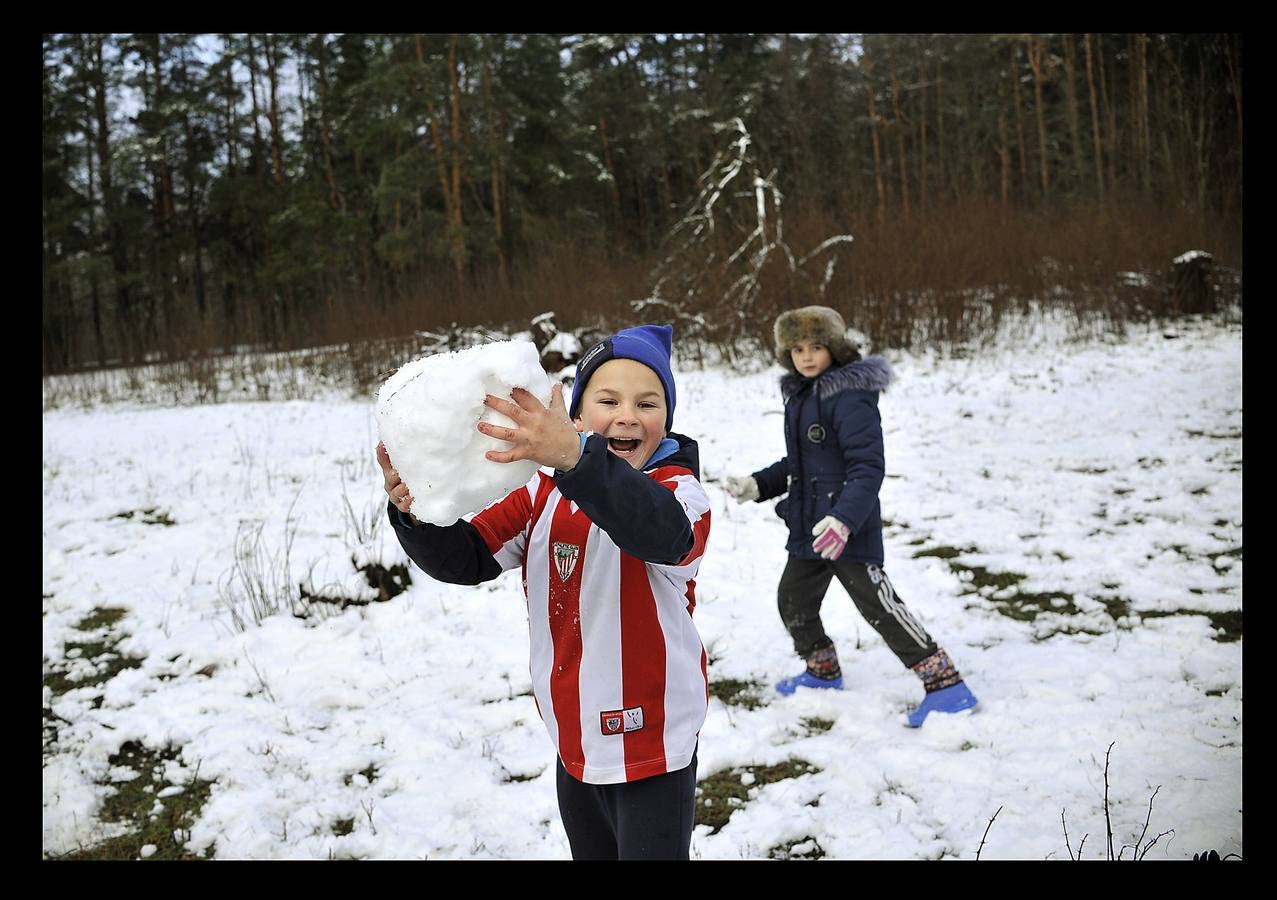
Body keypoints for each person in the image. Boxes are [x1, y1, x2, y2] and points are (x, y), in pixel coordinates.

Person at [377, 324, 711, 860]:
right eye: (608, 400)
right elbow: (469, 557)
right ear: (575, 416)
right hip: (573, 735)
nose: (628, 414)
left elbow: (660, 532)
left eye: (647, 402)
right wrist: (417, 514)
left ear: (666, 419)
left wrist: (577, 460)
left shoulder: (678, 494)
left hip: (652, 744)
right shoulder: (540, 494)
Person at [724, 306, 977, 727]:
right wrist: (759, 484)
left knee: (879, 606)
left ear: (835, 348)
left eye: (817, 347)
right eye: (798, 348)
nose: (806, 356)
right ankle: (822, 670)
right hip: (809, 528)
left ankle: (946, 685)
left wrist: (843, 520)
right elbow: (802, 460)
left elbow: (867, 467)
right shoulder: (803, 395)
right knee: (793, 600)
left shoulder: (850, 397)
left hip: (846, 530)